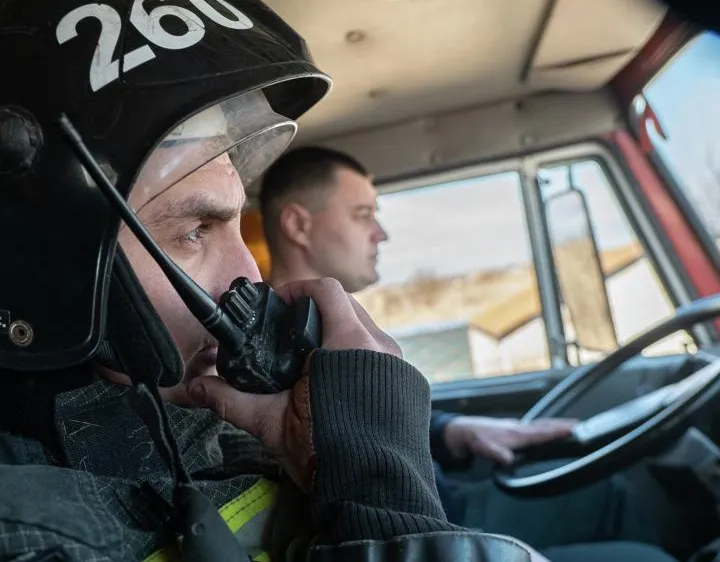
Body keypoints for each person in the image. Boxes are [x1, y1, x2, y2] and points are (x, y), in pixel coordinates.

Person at [0, 1, 557, 561]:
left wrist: (334, 464)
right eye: (195, 231)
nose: (248, 272)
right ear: (35, 267)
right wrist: (387, 501)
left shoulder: (167, 406)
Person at [258, 145, 675, 558]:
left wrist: (452, 430)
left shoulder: (329, 329)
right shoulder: (267, 357)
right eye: (362, 215)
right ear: (298, 225)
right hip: (426, 533)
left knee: (610, 494)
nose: (381, 233)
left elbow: (359, 419)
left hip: (447, 505)